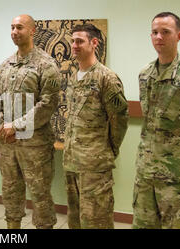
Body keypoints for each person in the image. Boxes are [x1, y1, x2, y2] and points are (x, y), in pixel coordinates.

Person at [133, 12, 180, 229]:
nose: (159, 37)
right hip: (146, 175)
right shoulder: (145, 74)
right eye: (154, 32)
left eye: (166, 32)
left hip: (179, 177)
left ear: (179, 35)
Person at [0, 14, 60, 229]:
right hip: (8, 143)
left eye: (19, 27)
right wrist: (3, 124)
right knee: (10, 191)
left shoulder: (46, 65)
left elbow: (47, 104)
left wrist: (17, 125)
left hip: (35, 145)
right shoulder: (6, 65)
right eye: (12, 27)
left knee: (40, 195)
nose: (14, 31)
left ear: (32, 31)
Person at [63, 24, 129, 229]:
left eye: (80, 41)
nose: (74, 45)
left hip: (95, 166)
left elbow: (120, 119)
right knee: (75, 220)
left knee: (96, 220)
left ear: (94, 43)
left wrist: (108, 149)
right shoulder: (74, 76)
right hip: (72, 162)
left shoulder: (106, 78)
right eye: (73, 41)